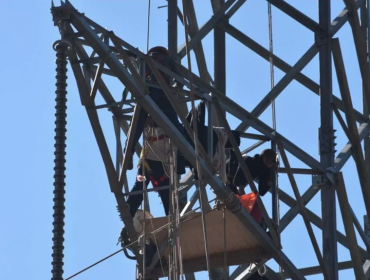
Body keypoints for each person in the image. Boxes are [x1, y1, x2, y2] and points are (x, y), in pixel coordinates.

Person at [124, 46, 185, 175]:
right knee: (174, 124)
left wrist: (131, 54)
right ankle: (182, 154)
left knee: (137, 123)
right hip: (164, 94)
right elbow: (180, 81)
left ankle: (128, 151)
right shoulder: (169, 60)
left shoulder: (144, 59)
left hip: (147, 91)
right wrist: (174, 91)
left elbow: (134, 72)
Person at [126, 116, 171, 218]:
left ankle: (172, 218)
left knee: (167, 195)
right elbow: (132, 129)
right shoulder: (146, 126)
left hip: (163, 166)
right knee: (140, 185)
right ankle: (129, 209)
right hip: (148, 164)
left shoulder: (168, 123)